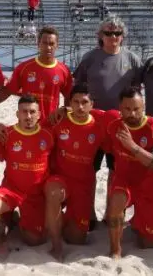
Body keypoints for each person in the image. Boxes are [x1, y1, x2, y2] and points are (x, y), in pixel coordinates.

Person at [72, 16, 142, 228]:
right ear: (100, 36)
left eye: (117, 33)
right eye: (108, 33)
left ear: (123, 37)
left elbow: (137, 91)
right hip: (92, 123)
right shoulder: (90, 58)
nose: (113, 37)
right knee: (88, 170)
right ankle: (90, 213)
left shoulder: (132, 59)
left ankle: (110, 213)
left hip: (120, 125)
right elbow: (76, 88)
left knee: (115, 171)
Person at [103, 87, 153, 258]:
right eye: (127, 109)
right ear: (120, 108)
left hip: (149, 185)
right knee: (116, 200)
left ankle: (138, 222)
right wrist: (64, 109)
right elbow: (88, 113)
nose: (132, 113)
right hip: (124, 180)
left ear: (143, 107)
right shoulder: (112, 122)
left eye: (136, 109)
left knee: (148, 244)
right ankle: (115, 250)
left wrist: (132, 147)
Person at [0, 95, 54, 259]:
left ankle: (15, 219)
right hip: (11, 188)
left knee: (34, 240)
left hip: (36, 194)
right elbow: (0, 157)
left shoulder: (49, 135)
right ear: (17, 114)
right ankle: (2, 240)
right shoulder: (7, 133)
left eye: (32, 112)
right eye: (24, 112)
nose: (28, 116)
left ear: (39, 115)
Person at [43, 84, 105, 261]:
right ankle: (56, 246)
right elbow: (34, 131)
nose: (80, 107)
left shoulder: (99, 124)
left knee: (76, 238)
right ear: (69, 103)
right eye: (75, 102)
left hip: (83, 184)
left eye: (84, 102)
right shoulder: (58, 120)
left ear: (92, 104)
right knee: (54, 193)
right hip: (60, 178)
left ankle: (59, 220)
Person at [0, 26, 72, 120]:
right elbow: (7, 91)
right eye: (44, 43)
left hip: (51, 125)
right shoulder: (24, 68)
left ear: (57, 45)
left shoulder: (64, 70)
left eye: (52, 43)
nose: (48, 47)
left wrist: (65, 112)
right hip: (27, 124)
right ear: (38, 44)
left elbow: (70, 97)